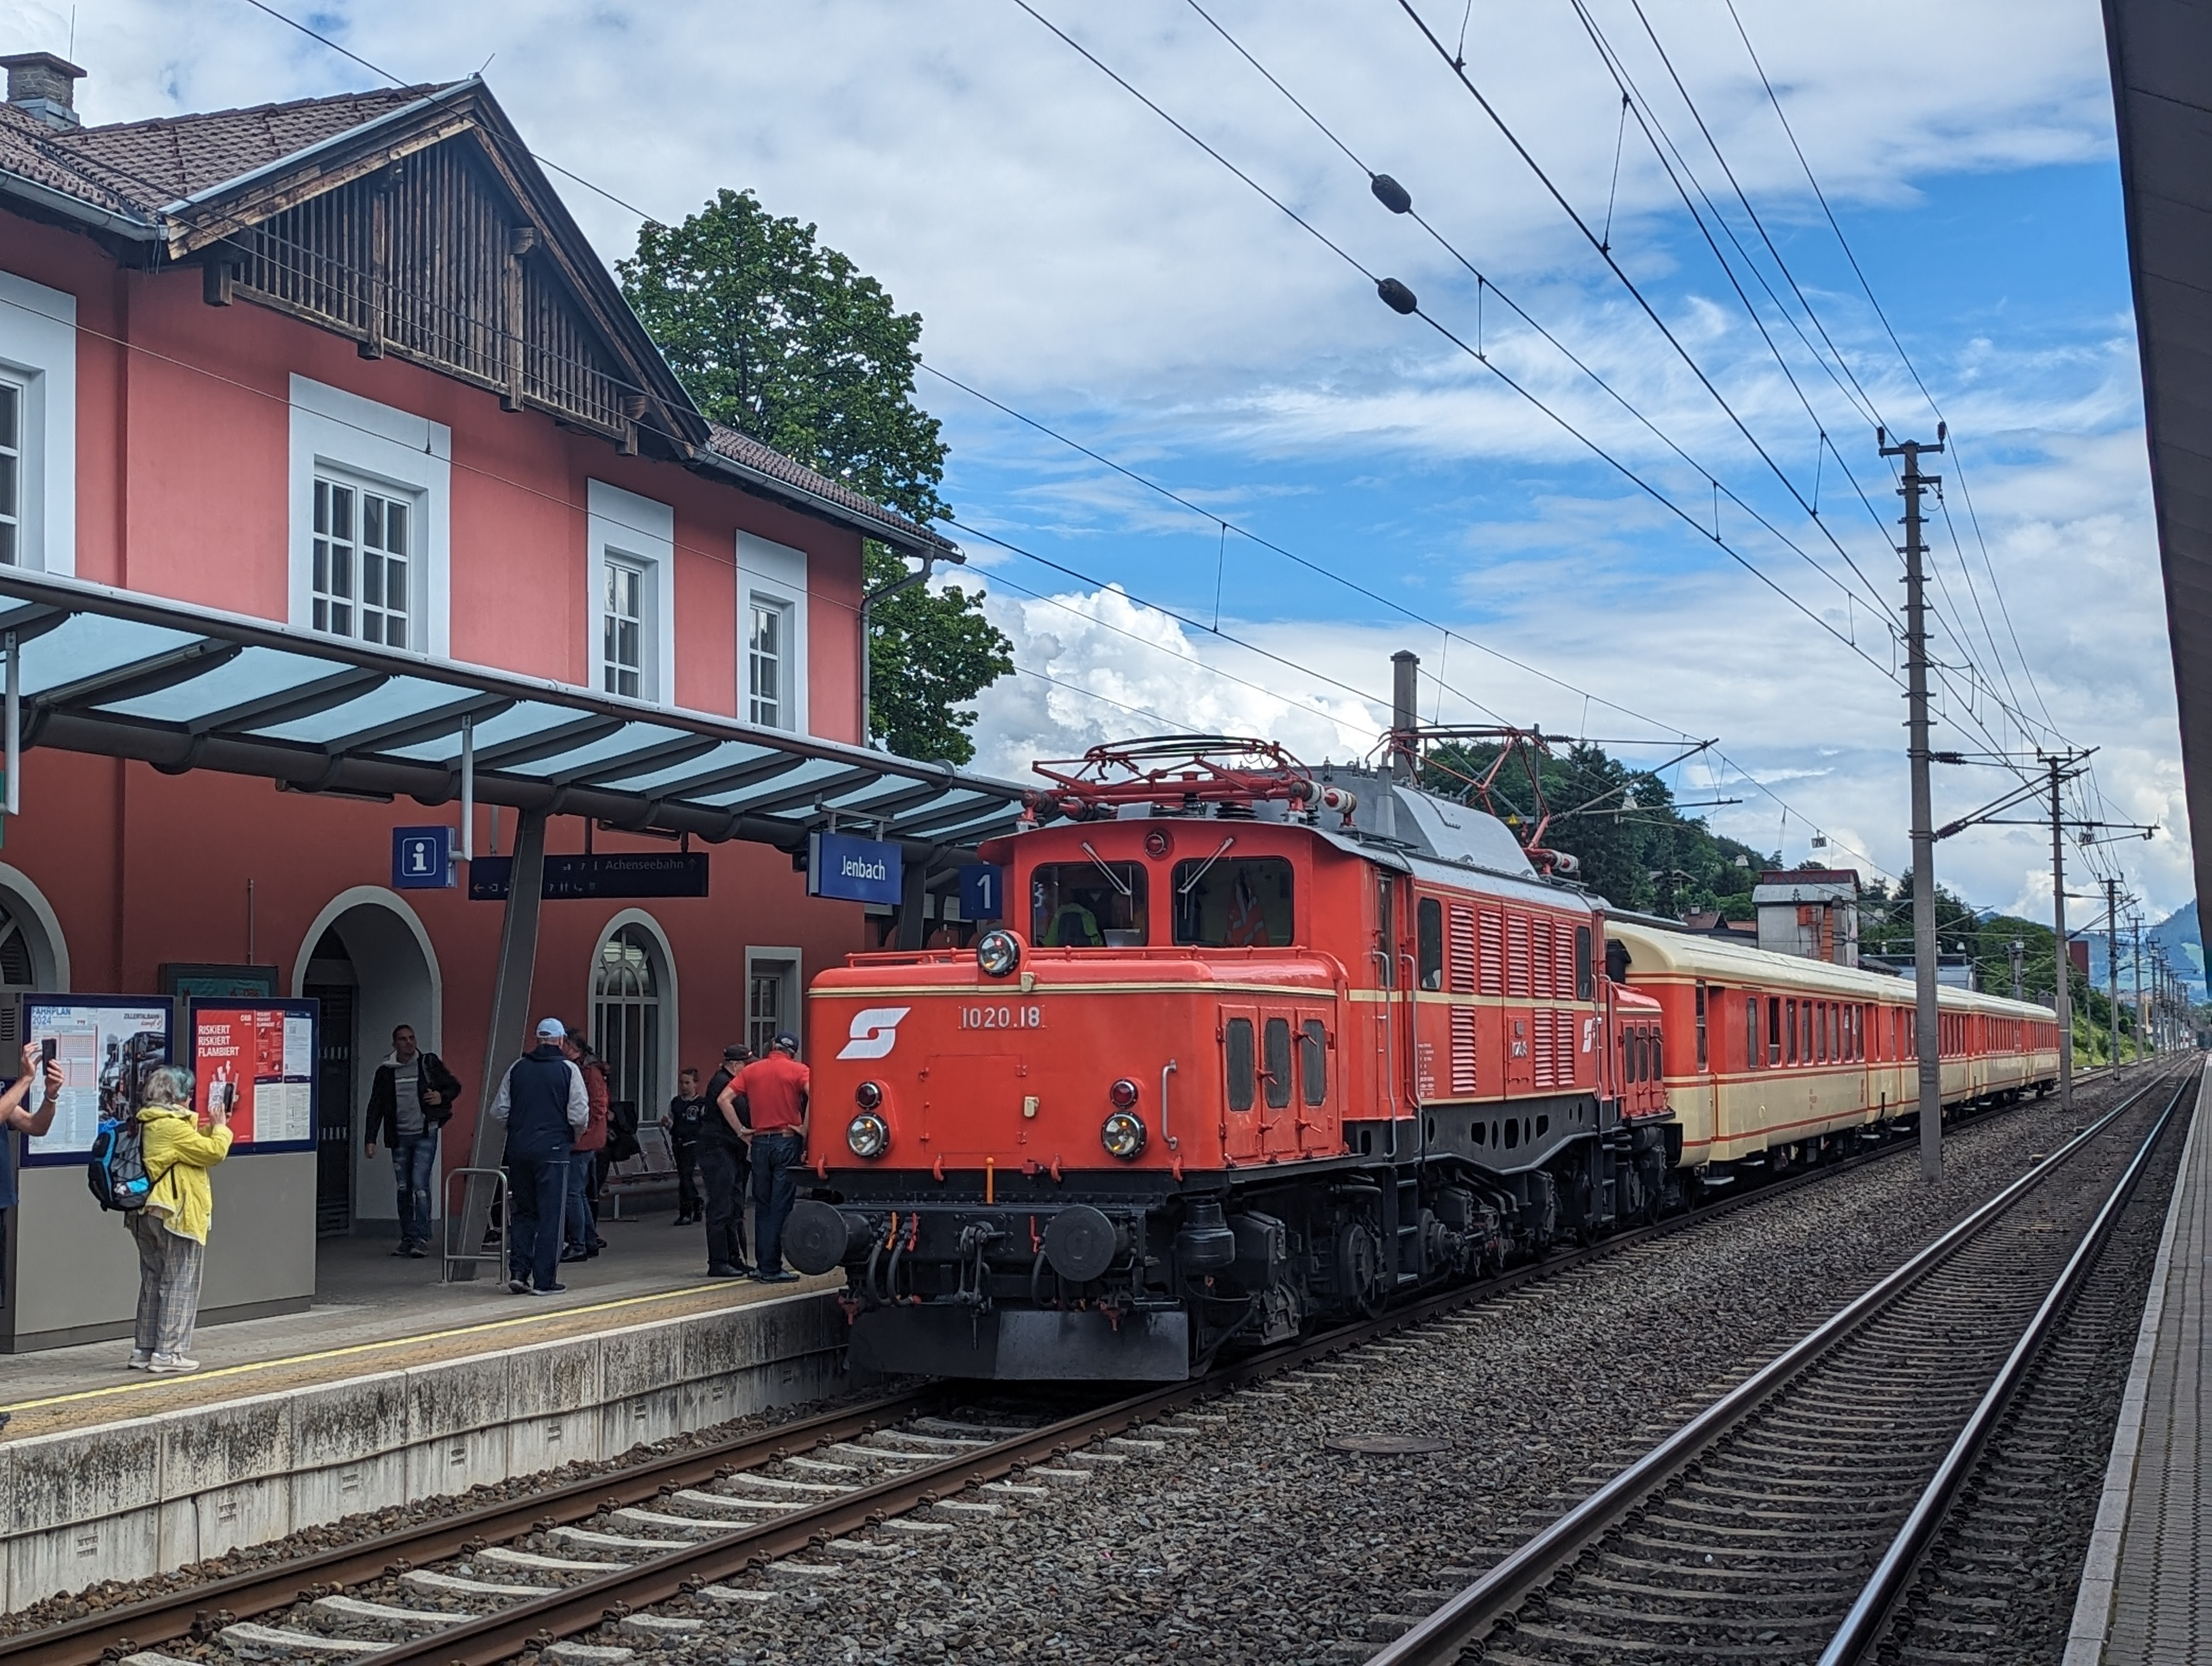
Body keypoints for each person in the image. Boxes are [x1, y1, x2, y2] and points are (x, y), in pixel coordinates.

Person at [130, 1065, 232, 1373]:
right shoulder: (172, 1127)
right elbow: (213, 1152)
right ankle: (169, 1353)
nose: (191, 1100)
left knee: (153, 1280)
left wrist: (210, 1127)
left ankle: (144, 1349)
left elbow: (189, 1150)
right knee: (180, 1282)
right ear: (177, 1097)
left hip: (144, 1213)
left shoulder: (148, 1122)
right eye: (188, 1094)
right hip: (174, 1213)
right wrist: (222, 1128)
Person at [489, 1017, 588, 1295]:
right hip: (555, 1150)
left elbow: (498, 1110)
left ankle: (519, 1272)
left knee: (523, 1212)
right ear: (560, 1041)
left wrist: (521, 1126)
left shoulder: (517, 1068)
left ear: (537, 1040)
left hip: (520, 1150)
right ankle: (545, 1280)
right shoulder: (569, 1070)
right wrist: (575, 1135)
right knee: (551, 1216)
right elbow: (579, 1114)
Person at [363, 1024, 464, 1258]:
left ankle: (421, 1237)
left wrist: (441, 1096)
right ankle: (407, 1238)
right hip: (399, 1136)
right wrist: (370, 1139)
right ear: (394, 1045)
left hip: (425, 1133)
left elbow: (454, 1086)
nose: (409, 1043)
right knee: (403, 1187)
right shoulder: (386, 1071)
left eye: (411, 1038)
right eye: (403, 1040)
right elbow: (375, 1106)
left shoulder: (427, 1064)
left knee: (419, 1184)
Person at [732, 1031, 809, 1284]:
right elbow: (817, 1095)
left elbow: (725, 1099)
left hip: (759, 1143)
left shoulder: (752, 1071)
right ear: (792, 1052)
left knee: (762, 1206)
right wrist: (805, 1128)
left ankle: (762, 1265)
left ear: (772, 1047)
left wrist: (741, 1131)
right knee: (781, 1205)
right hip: (786, 1140)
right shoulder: (799, 1070)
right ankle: (773, 1267)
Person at [697, 1043, 753, 1276]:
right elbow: (732, 1109)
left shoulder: (729, 1082)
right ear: (735, 1065)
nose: (749, 1069)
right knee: (721, 1205)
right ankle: (718, 1261)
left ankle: (733, 1257)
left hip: (729, 1150)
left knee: (734, 1204)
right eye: (747, 1065)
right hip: (717, 1150)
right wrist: (743, 1132)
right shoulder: (723, 1084)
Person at [560, 1025, 609, 1262]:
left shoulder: (588, 1072)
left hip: (582, 1140)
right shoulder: (586, 1069)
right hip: (586, 1138)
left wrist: (583, 1131)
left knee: (573, 1192)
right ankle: (589, 1239)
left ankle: (578, 1243)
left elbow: (598, 1105)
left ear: (573, 1047)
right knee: (578, 1193)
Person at [666, 1066, 708, 1226]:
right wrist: (667, 1124)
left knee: (685, 1176)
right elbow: (672, 1123)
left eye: (687, 1083)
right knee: (684, 1176)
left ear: (695, 1084)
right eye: (682, 1083)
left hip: (694, 1144)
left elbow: (705, 1125)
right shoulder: (676, 1103)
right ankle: (697, 1201)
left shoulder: (701, 1104)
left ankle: (686, 1211)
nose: (684, 1086)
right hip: (678, 1142)